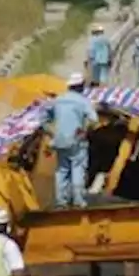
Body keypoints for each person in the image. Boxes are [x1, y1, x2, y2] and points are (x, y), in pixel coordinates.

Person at [47, 73, 98, 209]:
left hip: (59, 141)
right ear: (81, 86)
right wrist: (85, 130)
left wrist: (51, 132)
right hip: (76, 140)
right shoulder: (83, 101)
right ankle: (78, 200)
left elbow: (45, 117)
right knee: (78, 168)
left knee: (62, 170)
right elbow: (94, 120)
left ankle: (61, 201)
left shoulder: (58, 99)